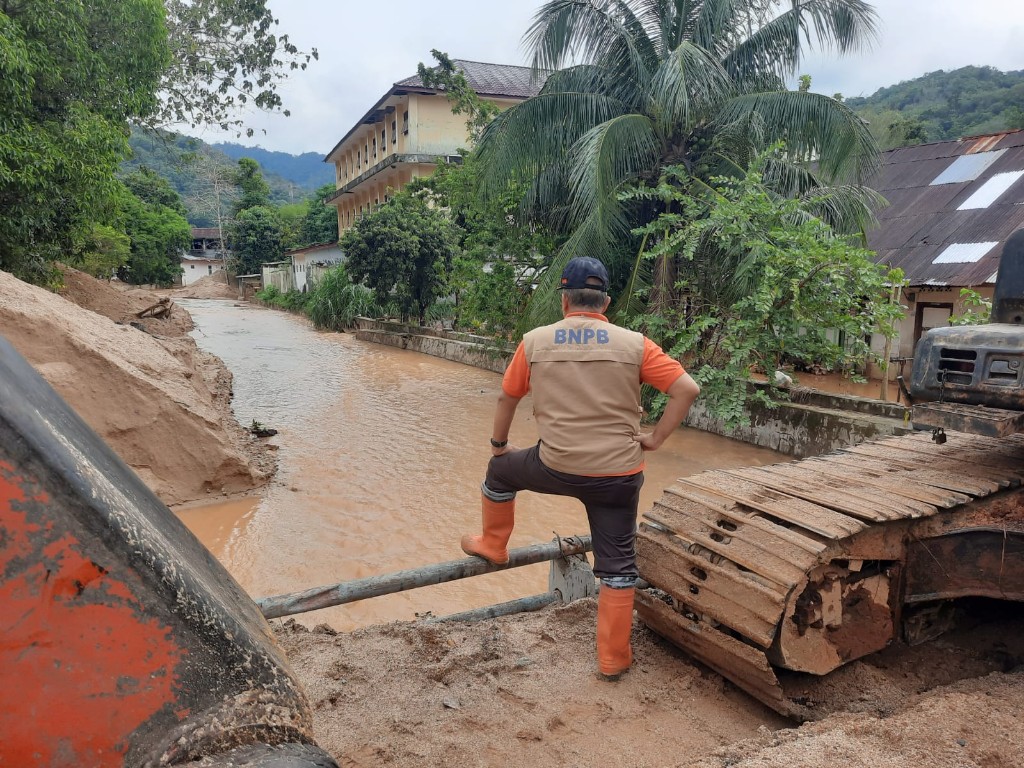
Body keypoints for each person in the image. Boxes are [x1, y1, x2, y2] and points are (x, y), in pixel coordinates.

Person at [459, 256, 701, 679]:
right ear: (605, 302)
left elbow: (507, 399)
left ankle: (493, 544)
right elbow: (686, 389)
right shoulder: (634, 344)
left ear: (564, 300)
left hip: (554, 465)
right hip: (618, 475)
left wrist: (499, 446)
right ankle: (612, 659)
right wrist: (656, 439)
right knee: (619, 566)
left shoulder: (535, 341)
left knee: (499, 473)